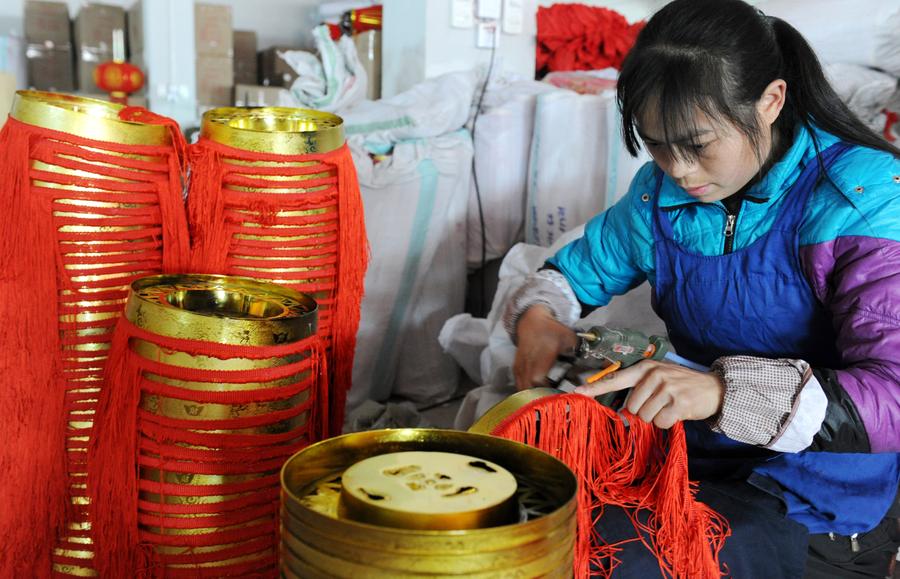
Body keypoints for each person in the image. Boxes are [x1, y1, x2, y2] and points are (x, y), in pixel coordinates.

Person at [503, 0, 900, 576]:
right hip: (696, 462)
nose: (681, 171)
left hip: (820, 498)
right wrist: (539, 318)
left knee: (598, 554)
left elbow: (892, 396)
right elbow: (572, 273)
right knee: (522, 509)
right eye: (658, 145)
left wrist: (719, 392)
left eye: (697, 144)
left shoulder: (863, 200)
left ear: (771, 101)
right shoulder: (659, 196)